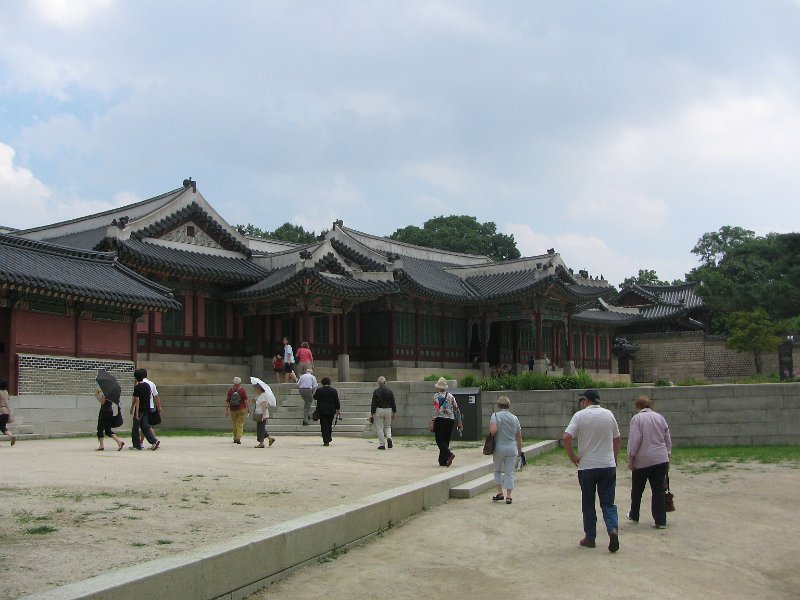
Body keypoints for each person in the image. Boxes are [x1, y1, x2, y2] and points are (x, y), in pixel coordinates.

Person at [563, 389, 621, 552]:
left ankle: (590, 537)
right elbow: (617, 439)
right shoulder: (609, 414)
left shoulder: (580, 416)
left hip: (588, 466)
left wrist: (573, 456)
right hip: (607, 464)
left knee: (588, 503)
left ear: (586, 401)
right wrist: (614, 458)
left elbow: (566, 437)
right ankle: (612, 529)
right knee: (608, 503)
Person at [627, 395, 672, 529]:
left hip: (643, 459)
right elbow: (667, 438)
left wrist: (631, 458)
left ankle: (634, 514)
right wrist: (668, 454)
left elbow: (635, 439)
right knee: (658, 489)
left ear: (638, 406)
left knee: (637, 489)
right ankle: (660, 520)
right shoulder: (660, 417)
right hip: (660, 457)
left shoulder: (637, 419)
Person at [489, 396, 523, 504]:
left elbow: (493, 430)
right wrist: (520, 450)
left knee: (497, 470)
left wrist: (490, 433)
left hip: (499, 447)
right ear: (509, 405)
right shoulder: (514, 418)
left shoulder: (495, 416)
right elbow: (519, 436)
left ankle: (500, 493)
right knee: (510, 472)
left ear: (498, 405)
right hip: (512, 447)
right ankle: (509, 496)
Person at [430, 377, 462, 467]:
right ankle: (442, 461)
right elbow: (456, 408)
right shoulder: (451, 396)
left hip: (440, 419)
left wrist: (432, 420)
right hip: (450, 419)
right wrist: (459, 421)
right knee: (446, 439)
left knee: (439, 439)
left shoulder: (437, 396)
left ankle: (449, 454)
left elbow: (436, 409)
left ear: (438, 387)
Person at [130, 368, 161, 451]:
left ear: (136, 377)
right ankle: (154, 441)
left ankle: (137, 444)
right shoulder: (147, 386)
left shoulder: (137, 387)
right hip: (147, 408)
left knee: (135, 428)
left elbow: (137, 400)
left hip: (139, 410)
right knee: (145, 426)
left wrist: (135, 412)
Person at [94, 385, 125, 451]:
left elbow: (102, 402)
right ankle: (119, 442)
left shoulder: (105, 393)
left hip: (104, 411)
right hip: (109, 411)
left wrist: (97, 395)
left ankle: (101, 445)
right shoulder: (111, 394)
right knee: (107, 430)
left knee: (100, 428)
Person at [312, 377, 341, 446]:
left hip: (322, 410)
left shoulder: (319, 390)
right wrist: (338, 409)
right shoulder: (333, 390)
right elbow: (336, 400)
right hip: (331, 410)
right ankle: (329, 437)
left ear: (322, 383)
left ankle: (326, 440)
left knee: (324, 425)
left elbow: (315, 397)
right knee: (329, 424)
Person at [370, 376, 397, 450]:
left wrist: (372, 413)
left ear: (378, 383)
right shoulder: (390, 391)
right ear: (385, 382)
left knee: (380, 428)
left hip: (379, 409)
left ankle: (382, 444)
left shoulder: (376, 391)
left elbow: (374, 403)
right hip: (388, 409)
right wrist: (394, 412)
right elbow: (393, 403)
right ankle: (389, 437)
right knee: (388, 426)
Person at [226, 376, 250, 444]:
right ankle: (238, 437)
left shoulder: (230, 390)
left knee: (234, 424)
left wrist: (226, 410)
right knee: (240, 424)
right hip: (241, 408)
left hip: (232, 409)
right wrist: (248, 409)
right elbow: (246, 401)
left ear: (233, 382)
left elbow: (227, 401)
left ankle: (235, 437)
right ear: (240, 383)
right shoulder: (242, 390)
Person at [252, 381, 276, 448]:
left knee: (260, 429)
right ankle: (270, 438)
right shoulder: (261, 395)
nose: (255, 389)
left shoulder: (263, 396)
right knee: (261, 428)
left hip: (261, 414)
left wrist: (264, 414)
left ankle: (261, 443)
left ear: (260, 388)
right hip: (260, 414)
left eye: (256, 388)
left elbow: (264, 406)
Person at [0, 378, 17, 447]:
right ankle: (11, 436)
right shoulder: (6, 392)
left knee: (2, 427)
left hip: (0, 411)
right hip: (6, 412)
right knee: (3, 427)